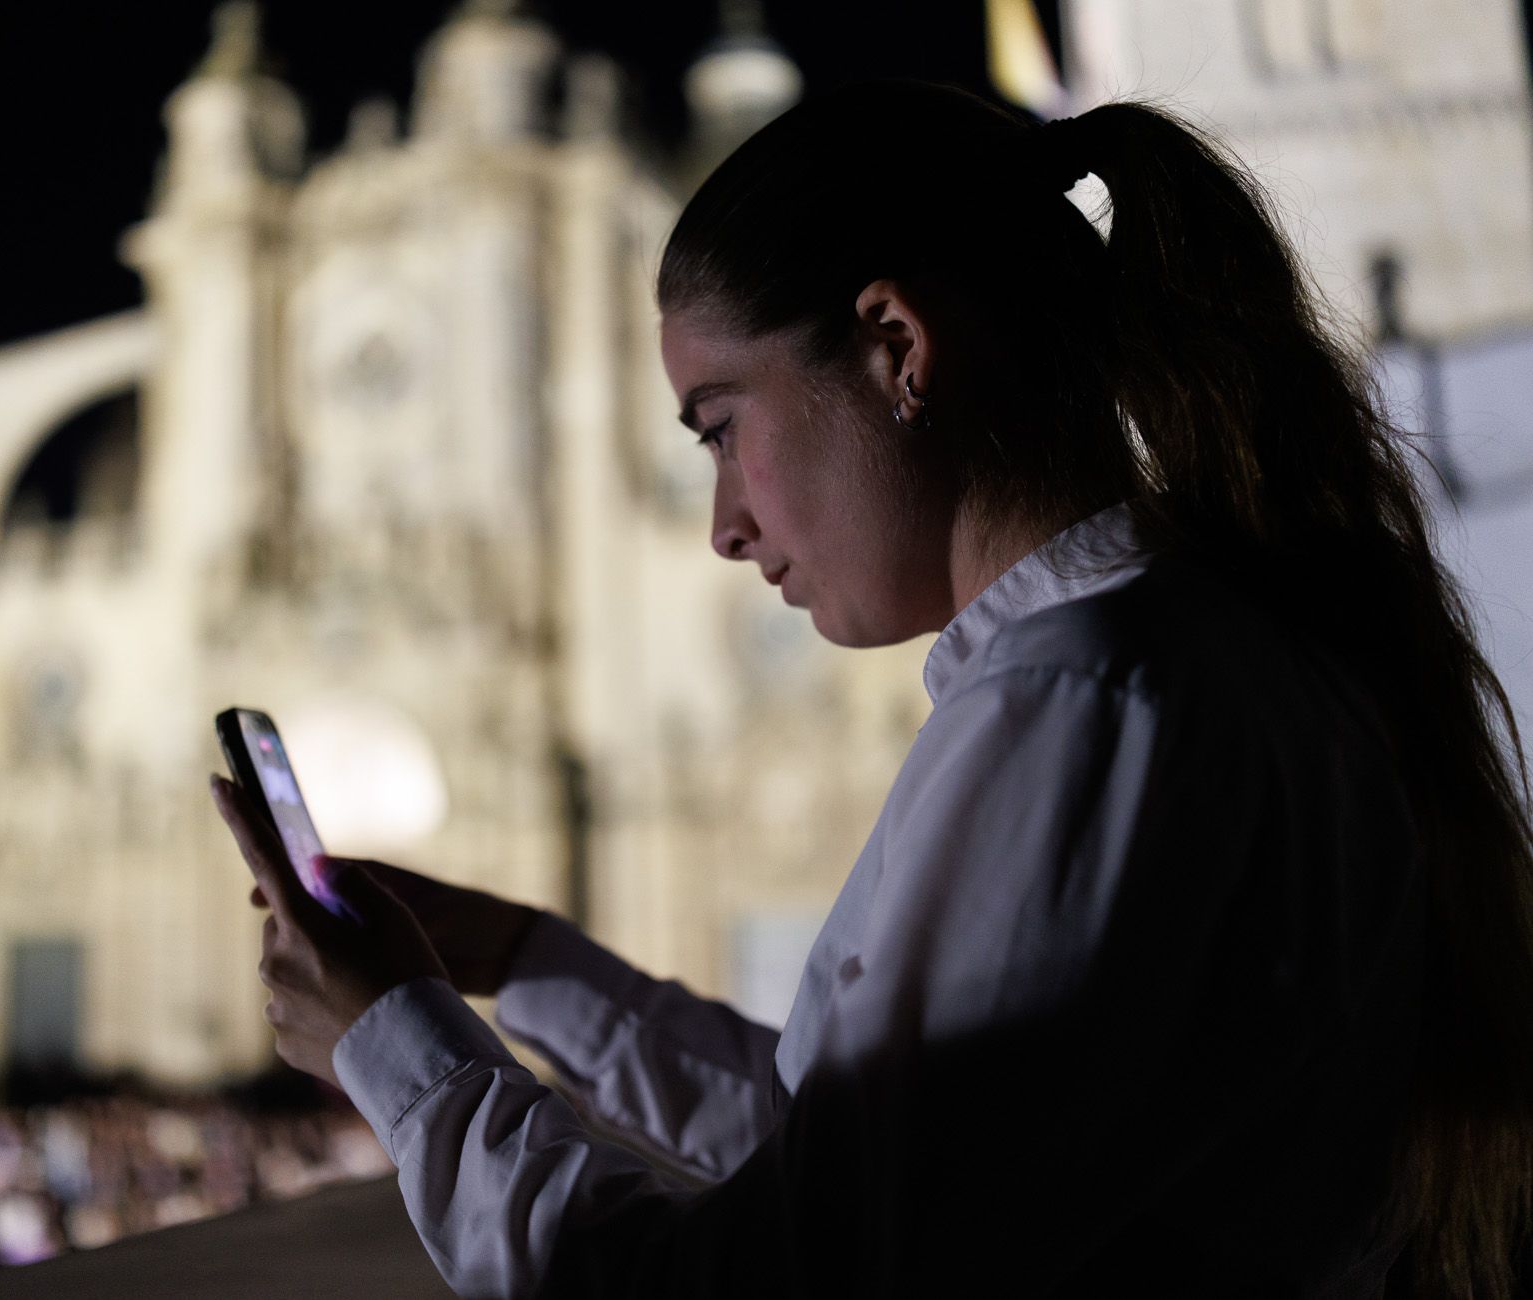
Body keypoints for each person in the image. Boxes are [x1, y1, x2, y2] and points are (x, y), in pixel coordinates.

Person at [208, 79, 1533, 1298]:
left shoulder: (1080, 707)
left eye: (722, 428)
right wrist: (529, 965)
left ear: (897, 345)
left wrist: (394, 1050)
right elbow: (894, 1165)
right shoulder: (1180, 653)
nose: (722, 524)